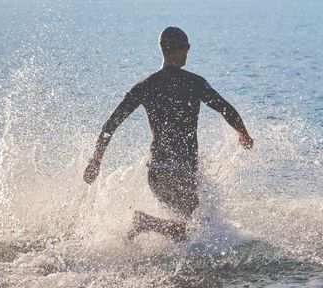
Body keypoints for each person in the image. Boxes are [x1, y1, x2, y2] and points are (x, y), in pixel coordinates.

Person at [83, 27, 253, 242]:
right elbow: (225, 108)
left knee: (191, 231)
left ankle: (160, 246)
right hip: (179, 171)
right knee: (196, 228)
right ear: (179, 49)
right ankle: (144, 222)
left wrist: (96, 160)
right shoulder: (194, 82)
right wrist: (243, 133)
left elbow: (110, 125)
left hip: (157, 172)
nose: (188, 53)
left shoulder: (145, 85)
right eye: (187, 47)